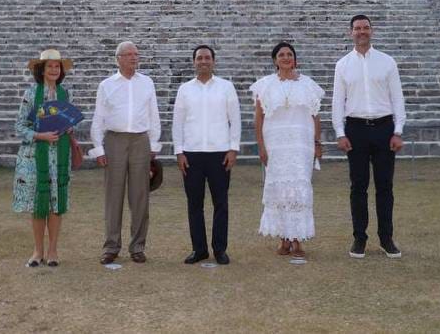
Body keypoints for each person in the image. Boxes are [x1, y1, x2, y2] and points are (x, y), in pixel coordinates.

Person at [332, 14, 406, 259]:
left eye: (365, 28)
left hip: (384, 128)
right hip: (356, 130)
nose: (361, 32)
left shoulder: (387, 62)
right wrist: (340, 133)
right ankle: (359, 238)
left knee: (385, 186)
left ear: (371, 31)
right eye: (357, 28)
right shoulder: (342, 65)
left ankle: (386, 238)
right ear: (351, 32)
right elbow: (337, 102)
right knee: (358, 187)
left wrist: (398, 131)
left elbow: (397, 98)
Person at [90, 41, 161, 265]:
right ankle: (111, 246)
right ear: (118, 58)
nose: (133, 57)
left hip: (140, 140)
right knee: (113, 196)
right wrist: (98, 147)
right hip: (114, 140)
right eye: (128, 54)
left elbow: (154, 114)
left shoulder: (147, 82)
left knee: (140, 196)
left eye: (136, 54)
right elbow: (99, 117)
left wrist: (153, 144)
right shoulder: (106, 85)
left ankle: (138, 247)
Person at [251, 41, 324, 259]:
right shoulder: (264, 85)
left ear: (295, 59)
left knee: (300, 189)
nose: (286, 58)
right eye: (281, 55)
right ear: (275, 60)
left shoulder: (308, 84)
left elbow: (315, 116)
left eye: (289, 54)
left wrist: (317, 143)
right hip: (276, 147)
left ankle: (297, 239)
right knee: (280, 191)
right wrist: (261, 146)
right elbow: (258, 118)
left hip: (301, 146)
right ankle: (284, 238)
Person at [173, 44, 241, 265]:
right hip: (191, 154)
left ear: (213, 61)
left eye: (207, 58)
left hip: (219, 153)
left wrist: (233, 148)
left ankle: (220, 249)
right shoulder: (185, 89)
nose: (203, 61)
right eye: (199, 58)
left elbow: (235, 119)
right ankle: (199, 249)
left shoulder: (226, 87)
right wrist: (179, 151)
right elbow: (177, 122)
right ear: (194, 62)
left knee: (221, 203)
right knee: (194, 204)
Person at [12, 48, 76, 267]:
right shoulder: (31, 94)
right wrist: (40, 135)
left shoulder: (65, 94)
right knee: (38, 204)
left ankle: (53, 251)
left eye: (57, 66)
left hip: (58, 156)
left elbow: (70, 121)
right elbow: (19, 126)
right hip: (34, 157)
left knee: (55, 204)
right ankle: (37, 251)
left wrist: (68, 128)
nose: (54, 70)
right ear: (41, 70)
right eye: (50, 66)